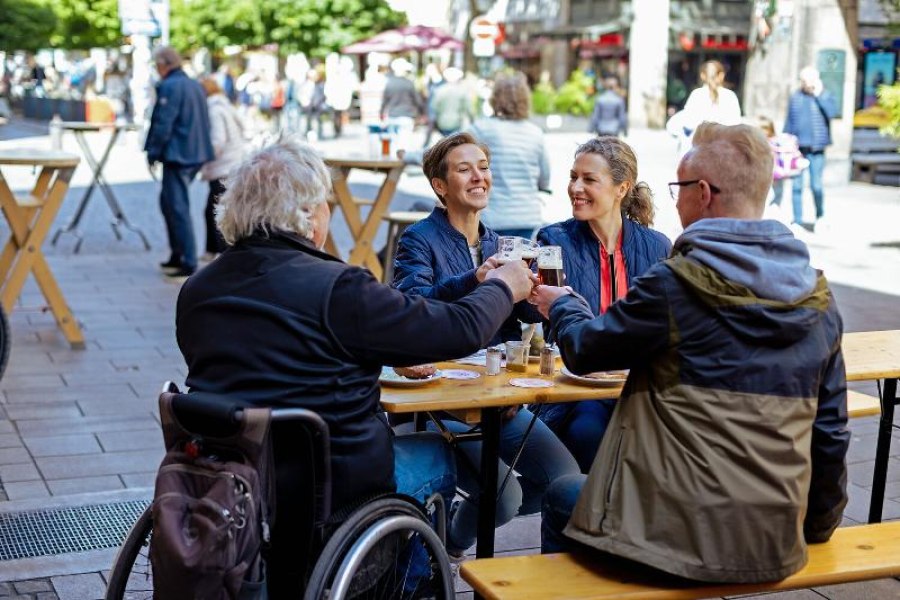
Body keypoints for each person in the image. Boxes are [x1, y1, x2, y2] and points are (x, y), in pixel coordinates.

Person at [177, 136, 536, 593]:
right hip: (332, 486)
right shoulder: (338, 287)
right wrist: (504, 284)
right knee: (439, 455)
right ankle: (407, 584)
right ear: (310, 214)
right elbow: (454, 331)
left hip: (229, 476)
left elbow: (271, 355)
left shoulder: (198, 289)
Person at [532, 122, 849, 583]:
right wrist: (815, 529)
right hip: (773, 541)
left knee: (564, 490)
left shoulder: (676, 284)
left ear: (703, 193)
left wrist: (562, 303)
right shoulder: (818, 296)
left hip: (670, 542)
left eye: (678, 188)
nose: (673, 200)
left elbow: (583, 349)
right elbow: (831, 431)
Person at [392, 132, 580, 560]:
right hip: (444, 399)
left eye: (483, 167)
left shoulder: (502, 244)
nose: (479, 176)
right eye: (464, 169)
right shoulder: (420, 239)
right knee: (504, 498)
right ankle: (453, 547)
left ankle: (458, 529)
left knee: (563, 479)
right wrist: (476, 282)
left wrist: (540, 298)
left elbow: (522, 320)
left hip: (499, 397)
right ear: (440, 186)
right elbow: (410, 309)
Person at [534, 137, 671, 472]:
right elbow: (541, 318)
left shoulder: (656, 246)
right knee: (587, 432)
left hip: (639, 388)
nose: (575, 187)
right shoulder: (554, 240)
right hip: (579, 387)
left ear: (622, 188)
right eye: (572, 176)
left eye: (589, 179)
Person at [144, 46, 214, 278]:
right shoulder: (194, 85)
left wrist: (153, 151)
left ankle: (187, 258)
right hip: (194, 153)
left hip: (179, 155)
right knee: (170, 203)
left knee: (177, 206)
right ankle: (179, 254)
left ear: (164, 64)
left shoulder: (171, 86)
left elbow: (164, 122)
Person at [468, 71, 551, 238]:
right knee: (522, 263)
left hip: (493, 218)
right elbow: (544, 177)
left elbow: (446, 149)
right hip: (527, 218)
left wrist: (408, 156)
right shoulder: (535, 133)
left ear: (495, 98)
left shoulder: (482, 129)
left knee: (492, 264)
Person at [198, 76, 248, 257]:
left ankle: (221, 252)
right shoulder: (224, 106)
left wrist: (204, 156)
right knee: (214, 208)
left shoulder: (214, 111)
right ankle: (214, 250)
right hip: (232, 163)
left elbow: (217, 141)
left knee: (216, 211)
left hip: (223, 166)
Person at [783, 66, 838, 228]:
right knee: (796, 186)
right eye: (803, 80)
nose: (805, 84)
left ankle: (820, 215)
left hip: (817, 149)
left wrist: (818, 95)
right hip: (798, 149)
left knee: (816, 185)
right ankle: (798, 220)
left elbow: (832, 113)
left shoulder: (826, 95)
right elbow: (789, 121)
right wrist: (785, 140)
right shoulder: (796, 97)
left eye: (808, 80)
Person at [680, 60, 742, 134]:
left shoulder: (696, 94)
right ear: (722, 75)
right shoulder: (730, 96)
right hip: (724, 142)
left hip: (699, 143)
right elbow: (735, 125)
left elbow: (688, 123)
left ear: (702, 76)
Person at [381, 58, 422, 153]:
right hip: (407, 116)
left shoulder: (389, 83)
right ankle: (400, 164)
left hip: (392, 116)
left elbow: (384, 101)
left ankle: (393, 163)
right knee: (404, 145)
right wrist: (421, 113)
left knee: (394, 143)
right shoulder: (409, 83)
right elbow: (417, 100)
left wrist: (381, 114)